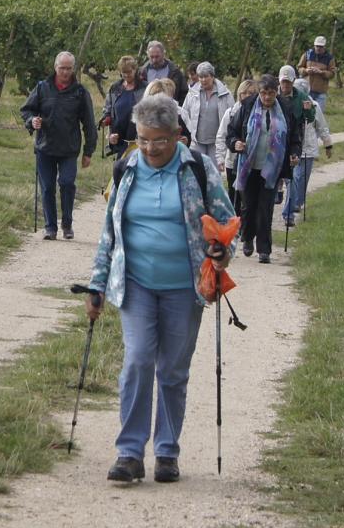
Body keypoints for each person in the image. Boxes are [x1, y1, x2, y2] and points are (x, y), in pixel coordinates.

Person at [86, 94, 237, 484]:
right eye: (143, 139)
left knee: (172, 369)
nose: (151, 148)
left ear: (177, 136)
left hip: (184, 288)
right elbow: (109, 232)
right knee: (137, 360)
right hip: (135, 283)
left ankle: (167, 451)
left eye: (160, 140)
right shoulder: (126, 169)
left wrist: (223, 251)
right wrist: (97, 284)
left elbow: (225, 220)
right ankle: (130, 451)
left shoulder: (196, 170)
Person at [21, 51, 97, 240]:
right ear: (55, 67)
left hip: (69, 149)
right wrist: (32, 121)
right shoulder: (42, 87)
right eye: (62, 68)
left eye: (69, 68)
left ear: (73, 69)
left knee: (67, 183)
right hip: (45, 147)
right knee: (47, 187)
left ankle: (67, 223)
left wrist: (89, 151)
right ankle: (50, 227)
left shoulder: (80, 93)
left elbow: (89, 123)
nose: (65, 72)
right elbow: (27, 110)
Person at [228, 74, 302, 264]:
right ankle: (247, 238)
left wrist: (294, 153)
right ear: (259, 92)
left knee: (265, 208)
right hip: (249, 166)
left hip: (273, 167)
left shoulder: (286, 108)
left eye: (270, 93)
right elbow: (232, 132)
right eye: (263, 93)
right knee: (248, 207)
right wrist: (235, 143)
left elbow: (295, 137)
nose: (267, 97)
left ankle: (264, 249)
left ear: (276, 92)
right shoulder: (246, 106)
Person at [282, 80, 332, 227]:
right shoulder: (288, 104)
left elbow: (322, 126)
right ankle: (290, 208)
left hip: (308, 148)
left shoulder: (314, 106)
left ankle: (298, 201)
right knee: (294, 178)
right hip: (293, 148)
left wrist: (328, 144)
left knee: (303, 178)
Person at [181, 61, 234, 170]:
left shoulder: (225, 94)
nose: (203, 80)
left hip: (216, 142)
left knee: (214, 172)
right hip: (197, 141)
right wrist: (189, 132)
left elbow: (232, 115)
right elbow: (184, 113)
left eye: (206, 76)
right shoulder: (192, 93)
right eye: (200, 77)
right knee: (197, 171)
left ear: (212, 76)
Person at [219, 78, 257, 202]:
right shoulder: (230, 113)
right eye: (244, 93)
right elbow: (221, 135)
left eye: (251, 93)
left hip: (252, 161)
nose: (247, 96)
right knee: (233, 195)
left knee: (248, 196)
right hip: (232, 161)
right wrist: (220, 158)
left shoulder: (258, 113)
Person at [102, 55, 145, 159]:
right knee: (119, 171)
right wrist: (110, 133)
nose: (126, 75)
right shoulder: (115, 88)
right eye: (123, 72)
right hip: (119, 139)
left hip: (139, 139)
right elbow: (109, 111)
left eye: (129, 72)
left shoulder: (144, 88)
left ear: (135, 70)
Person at [137, 40, 188, 104]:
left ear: (164, 54)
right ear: (147, 55)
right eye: (151, 57)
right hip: (148, 110)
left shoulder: (175, 72)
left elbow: (184, 93)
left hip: (169, 109)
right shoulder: (141, 72)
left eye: (157, 56)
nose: (154, 60)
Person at [297, 35, 337, 112]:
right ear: (314, 45)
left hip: (321, 92)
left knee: (318, 115)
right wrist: (306, 70)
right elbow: (299, 67)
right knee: (305, 114)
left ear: (324, 47)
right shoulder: (307, 54)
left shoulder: (329, 58)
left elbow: (332, 73)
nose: (318, 48)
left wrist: (322, 72)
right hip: (306, 91)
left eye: (321, 46)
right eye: (317, 46)